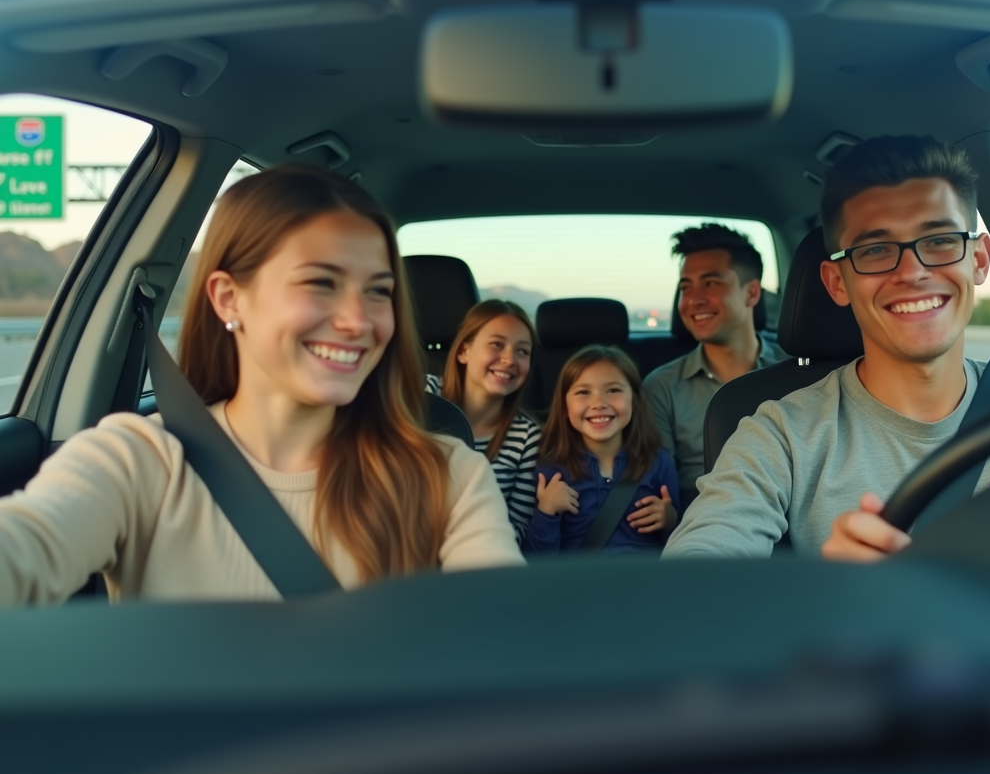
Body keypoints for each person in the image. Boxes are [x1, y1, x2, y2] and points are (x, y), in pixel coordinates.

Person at [0, 164, 524, 605]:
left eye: (378, 291)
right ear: (229, 299)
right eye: (321, 283)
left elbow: (502, 626)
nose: (358, 321)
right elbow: (26, 546)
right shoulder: (139, 461)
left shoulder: (447, 476)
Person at [664, 135, 990, 562]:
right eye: (875, 250)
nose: (912, 272)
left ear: (979, 260)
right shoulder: (780, 435)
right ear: (837, 282)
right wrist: (823, 594)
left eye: (941, 240)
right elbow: (695, 577)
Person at [642, 223, 786, 510]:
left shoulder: (799, 371)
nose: (694, 300)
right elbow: (659, 488)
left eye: (711, 283)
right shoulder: (662, 387)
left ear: (752, 293)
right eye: (685, 287)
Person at [524, 345, 679, 555]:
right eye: (583, 392)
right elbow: (539, 562)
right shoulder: (552, 472)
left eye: (613, 390)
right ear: (565, 407)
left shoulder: (658, 462)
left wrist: (670, 520)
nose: (598, 403)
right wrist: (546, 512)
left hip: (644, 573)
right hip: (581, 574)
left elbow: (681, 549)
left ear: (634, 400)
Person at [426, 299, 541, 542]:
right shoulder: (424, 393)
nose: (509, 359)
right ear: (464, 351)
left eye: (522, 351)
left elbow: (518, 529)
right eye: (497, 344)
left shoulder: (526, 437)